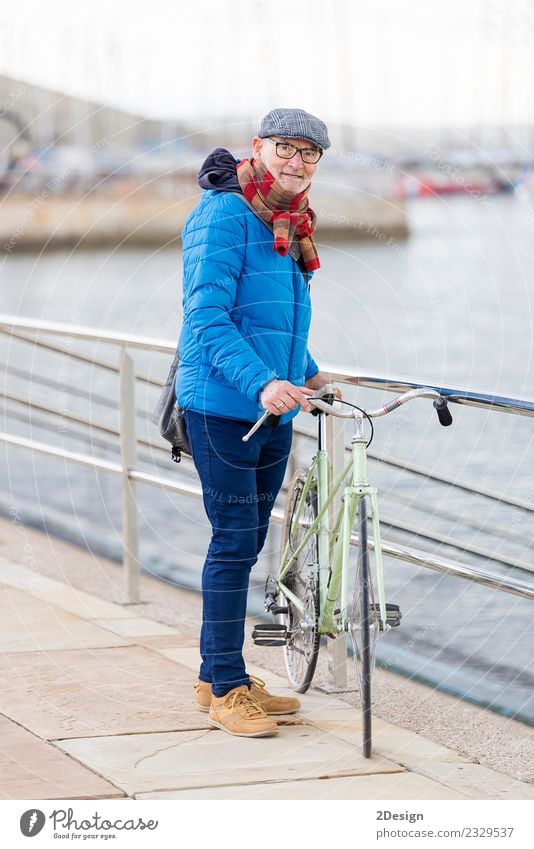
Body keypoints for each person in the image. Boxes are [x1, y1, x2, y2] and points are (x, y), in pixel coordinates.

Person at [176, 107, 336, 738]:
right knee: (234, 542)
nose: (296, 161)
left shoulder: (287, 220)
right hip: (223, 405)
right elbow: (207, 319)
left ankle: (217, 676)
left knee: (245, 543)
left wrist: (310, 373)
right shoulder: (223, 214)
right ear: (259, 147)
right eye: (285, 148)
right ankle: (227, 689)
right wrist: (263, 382)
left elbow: (274, 320)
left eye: (310, 153)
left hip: (273, 405)